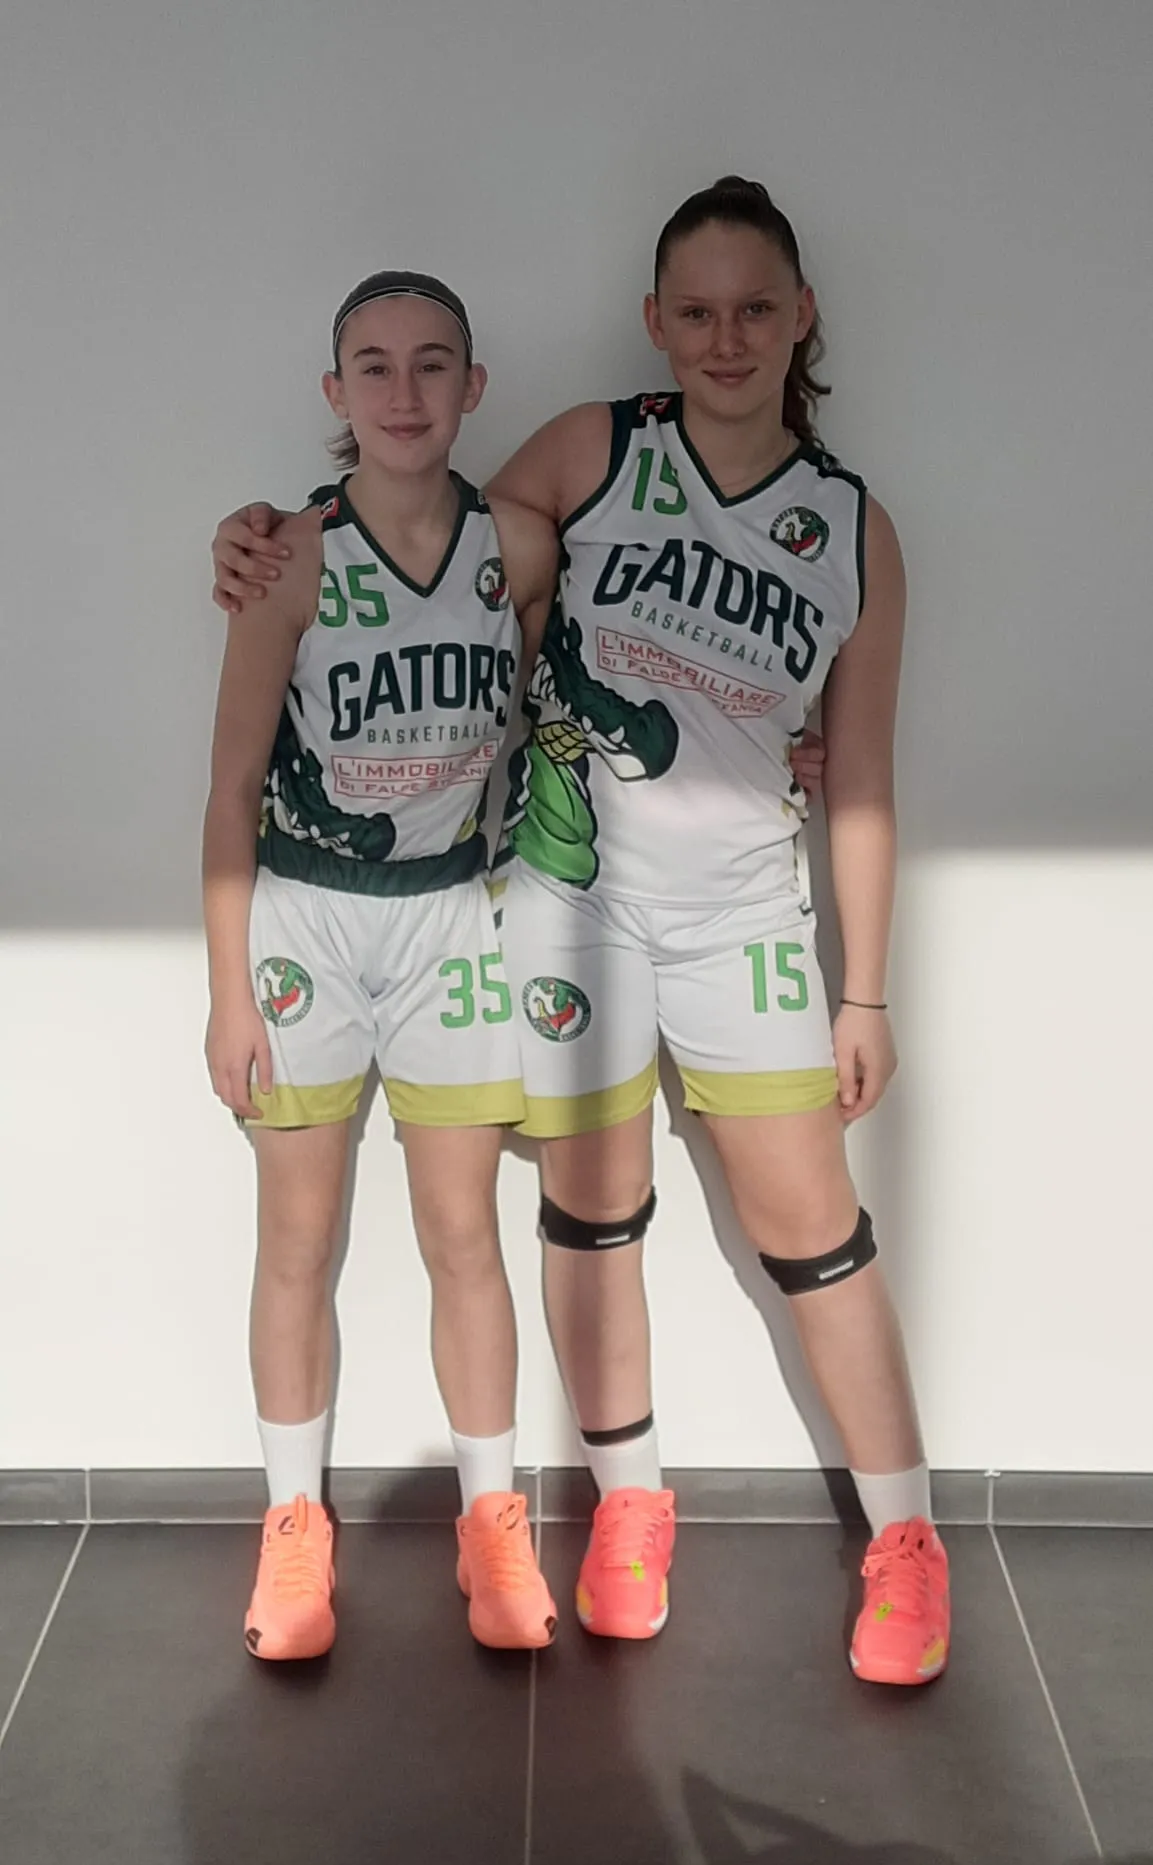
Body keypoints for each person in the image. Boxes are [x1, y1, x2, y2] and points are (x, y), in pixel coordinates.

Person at [211, 179, 949, 1687]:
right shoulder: (597, 450)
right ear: (654, 322)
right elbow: (435, 551)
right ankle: (627, 1507)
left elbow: (865, 778)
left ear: (802, 316)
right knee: (594, 1218)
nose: (727, 337)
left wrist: (864, 990)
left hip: (743, 911)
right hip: (568, 905)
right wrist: (267, 535)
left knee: (814, 1232)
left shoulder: (854, 530)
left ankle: (909, 1539)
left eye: (756, 308)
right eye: (699, 310)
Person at [203, 269, 558, 1662]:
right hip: (306, 920)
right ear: (335, 392)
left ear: (473, 386)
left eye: (431, 364)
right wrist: (227, 990)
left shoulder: (517, 547)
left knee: (464, 1237)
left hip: (450, 916)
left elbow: (585, 702)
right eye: (373, 366)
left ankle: (493, 1522)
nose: (403, 392)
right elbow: (232, 789)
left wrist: (790, 747)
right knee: (297, 1240)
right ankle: (294, 1524)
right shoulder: (288, 559)